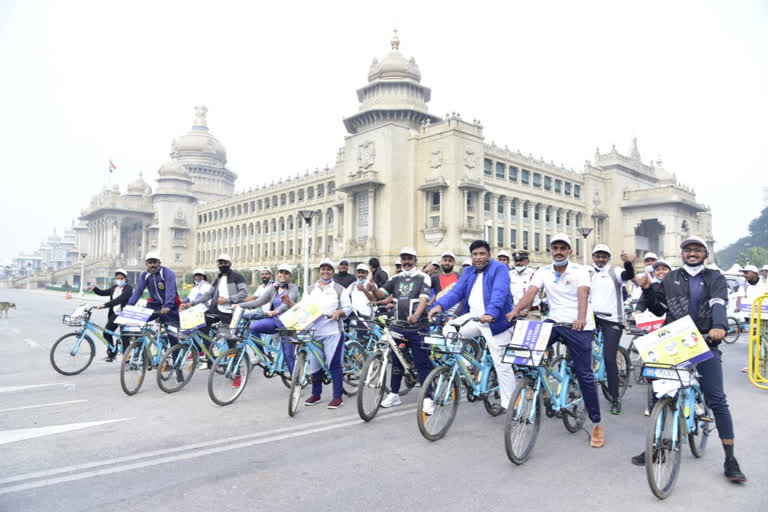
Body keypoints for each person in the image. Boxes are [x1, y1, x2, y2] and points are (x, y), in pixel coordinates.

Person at [633, 236, 746, 482]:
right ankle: (656, 445)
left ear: (705, 254)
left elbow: (718, 302)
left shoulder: (714, 277)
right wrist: (648, 290)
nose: (692, 253)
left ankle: (730, 459)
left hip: (706, 340)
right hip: (674, 342)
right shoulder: (671, 277)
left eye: (697, 250)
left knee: (717, 399)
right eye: (688, 250)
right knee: (661, 393)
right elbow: (659, 308)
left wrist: (719, 326)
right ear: (682, 253)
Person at [507, 233, 605, 448]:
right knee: (522, 353)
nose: (558, 251)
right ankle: (536, 385)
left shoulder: (581, 271)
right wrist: (515, 310)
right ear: (551, 251)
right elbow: (531, 294)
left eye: (563, 248)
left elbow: (583, 294)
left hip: (579, 325)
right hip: (554, 321)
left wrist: (580, 317)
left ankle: (597, 423)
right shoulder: (543, 272)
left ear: (569, 251)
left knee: (585, 375)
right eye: (555, 248)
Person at [428, 240, 516, 409]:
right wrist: (438, 306)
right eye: (475, 254)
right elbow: (455, 293)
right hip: (474, 318)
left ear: (489, 255)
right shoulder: (468, 271)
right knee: (449, 330)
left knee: (502, 365)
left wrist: (491, 312)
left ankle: (510, 406)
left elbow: (499, 292)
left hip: (495, 320)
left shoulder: (499, 268)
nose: (478, 257)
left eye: (482, 253)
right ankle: (468, 366)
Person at [363, 247, 433, 411]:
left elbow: (423, 300)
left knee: (421, 363)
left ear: (415, 260)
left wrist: (416, 315)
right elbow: (381, 294)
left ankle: (428, 398)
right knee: (396, 362)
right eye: (404, 259)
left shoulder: (424, 278)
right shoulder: (395, 278)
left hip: (418, 327)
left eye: (410, 258)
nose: (406, 262)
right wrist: (373, 289)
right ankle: (394, 394)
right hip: (398, 327)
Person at [289, 260, 352, 409]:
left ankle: (338, 397)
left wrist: (339, 312)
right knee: (315, 365)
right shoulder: (310, 289)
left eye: (329, 269)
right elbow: (303, 309)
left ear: (333, 271)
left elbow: (348, 308)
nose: (325, 272)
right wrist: (290, 304)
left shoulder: (339, 289)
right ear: (319, 271)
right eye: (323, 269)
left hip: (333, 332)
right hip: (314, 333)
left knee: (334, 363)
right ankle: (316, 394)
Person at [588, 244, 635, 415]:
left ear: (608, 258)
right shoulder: (588, 273)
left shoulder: (615, 272)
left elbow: (629, 275)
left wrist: (628, 262)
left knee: (609, 359)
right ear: (593, 257)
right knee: (579, 352)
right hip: (592, 319)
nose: (600, 259)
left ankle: (615, 398)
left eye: (604, 256)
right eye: (597, 256)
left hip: (613, 320)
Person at [239, 264, 301, 375]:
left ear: (290, 276)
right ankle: (263, 356)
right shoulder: (273, 288)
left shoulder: (293, 288)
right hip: (275, 321)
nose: (283, 275)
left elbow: (287, 303)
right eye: (281, 272)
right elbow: (258, 302)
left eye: (286, 273)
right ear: (277, 275)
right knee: (253, 328)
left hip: (288, 324)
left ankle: (296, 382)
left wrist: (277, 310)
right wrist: (240, 305)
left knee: (288, 355)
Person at [181, 254, 248, 351]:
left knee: (231, 340)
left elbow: (244, 292)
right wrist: (192, 303)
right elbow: (208, 294)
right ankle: (208, 355)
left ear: (230, 264)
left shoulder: (237, 277)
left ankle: (233, 361)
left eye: (225, 263)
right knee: (201, 324)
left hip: (231, 312)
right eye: (220, 263)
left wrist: (227, 299)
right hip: (217, 310)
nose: (222, 265)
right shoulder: (219, 279)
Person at [89, 269, 133, 361]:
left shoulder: (128, 288)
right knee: (106, 333)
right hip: (115, 314)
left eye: (122, 278)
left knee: (124, 336)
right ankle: (112, 353)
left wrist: (105, 305)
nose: (120, 280)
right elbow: (103, 293)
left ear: (125, 279)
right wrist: (95, 289)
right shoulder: (114, 288)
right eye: (118, 278)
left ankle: (127, 357)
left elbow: (119, 300)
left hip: (124, 314)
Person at [128, 253, 180, 328]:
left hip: (170, 306)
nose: (152, 265)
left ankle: (172, 338)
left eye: (155, 262)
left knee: (172, 333)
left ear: (159, 263)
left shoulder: (168, 273)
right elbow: (138, 291)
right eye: (150, 262)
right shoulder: (145, 275)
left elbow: (170, 290)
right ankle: (138, 339)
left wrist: (168, 306)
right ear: (146, 264)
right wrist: (130, 305)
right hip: (154, 305)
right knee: (137, 321)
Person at [509, 250, 541, 320]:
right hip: (515, 313)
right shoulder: (510, 274)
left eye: (521, 260)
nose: (518, 263)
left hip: (531, 313)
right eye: (516, 261)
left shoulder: (534, 274)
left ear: (527, 261)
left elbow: (533, 293)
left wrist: (526, 309)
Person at [429, 251, 461, 315]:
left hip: (455, 314)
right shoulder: (434, 278)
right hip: (438, 312)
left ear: (454, 262)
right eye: (445, 260)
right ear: (441, 262)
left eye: (450, 261)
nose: (447, 263)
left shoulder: (460, 278)